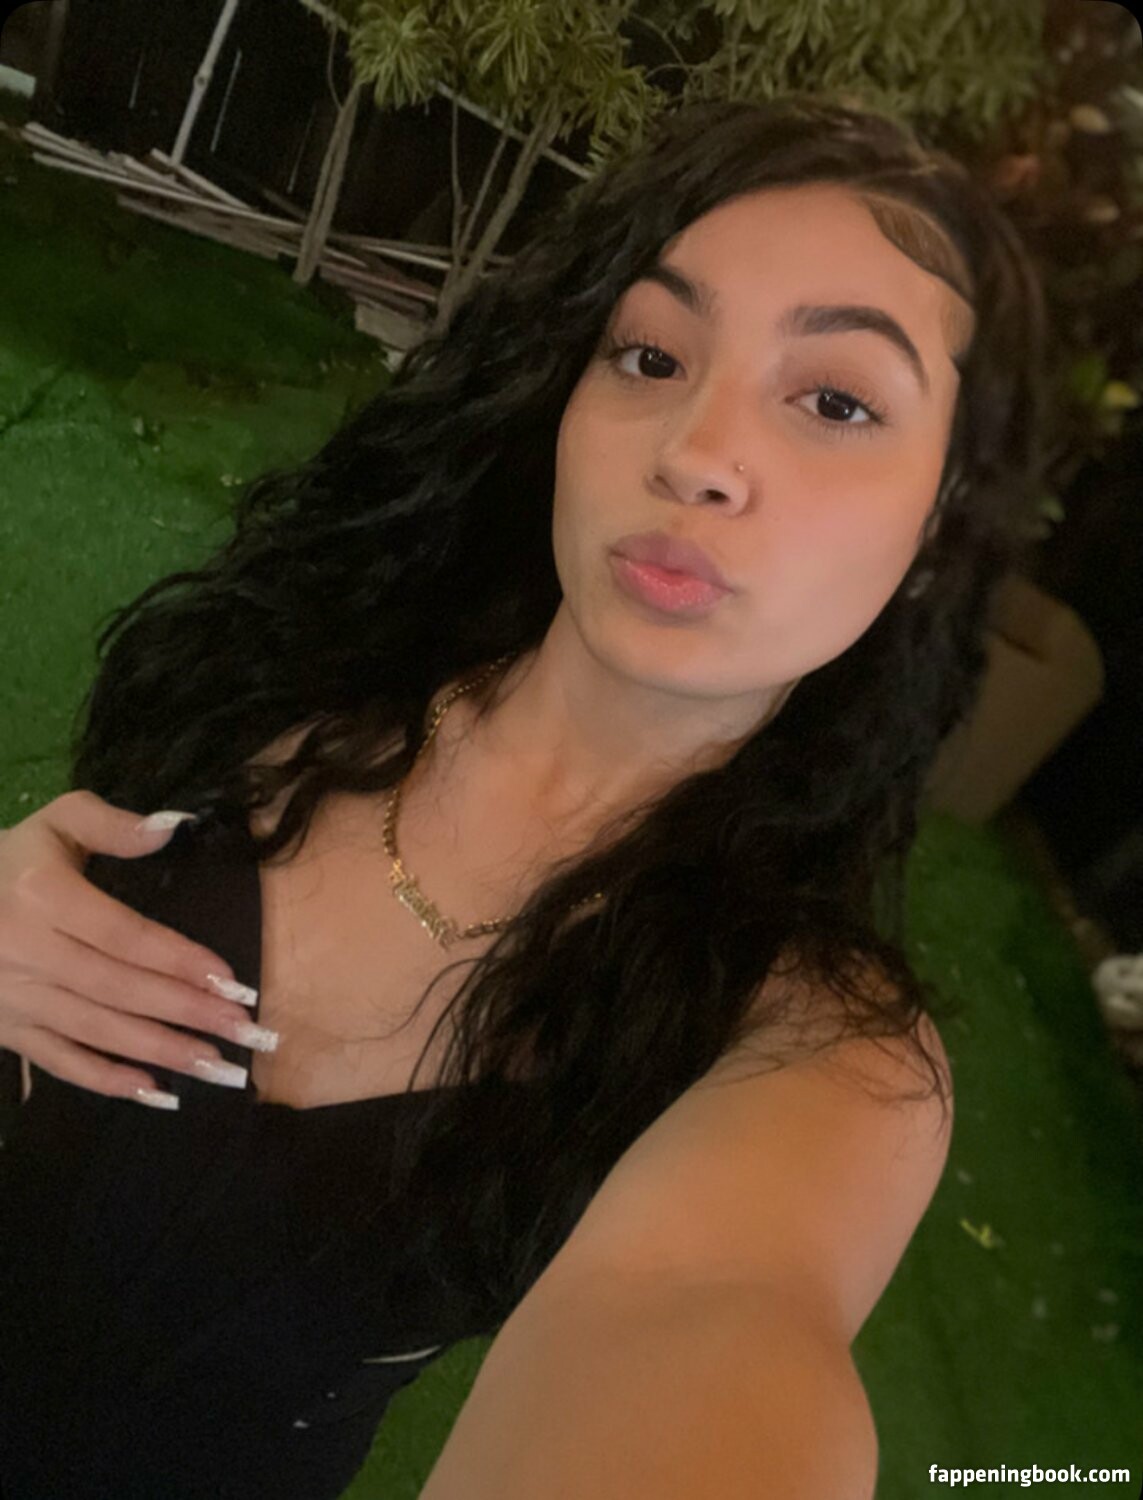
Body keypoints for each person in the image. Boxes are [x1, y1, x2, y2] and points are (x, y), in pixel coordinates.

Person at [0, 94, 1045, 1499]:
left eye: (838, 402)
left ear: (939, 528)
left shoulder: (806, 1041)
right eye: (652, 356)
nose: (694, 453)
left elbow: (717, 1325)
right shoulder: (285, 663)